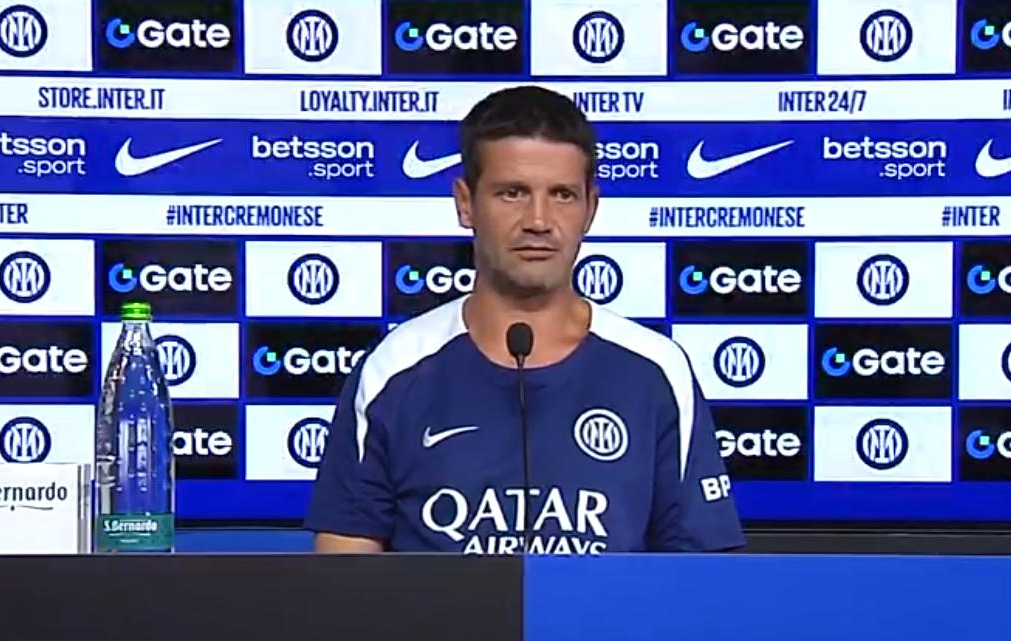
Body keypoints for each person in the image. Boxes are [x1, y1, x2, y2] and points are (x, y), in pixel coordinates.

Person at [304, 85, 744, 555]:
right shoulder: (393, 369)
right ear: (465, 203)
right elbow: (344, 578)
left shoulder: (656, 371)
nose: (539, 220)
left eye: (562, 195)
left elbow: (702, 577)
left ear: (591, 209)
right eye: (512, 193)